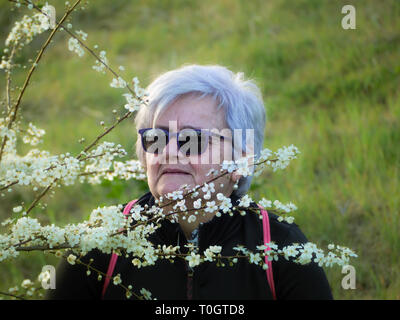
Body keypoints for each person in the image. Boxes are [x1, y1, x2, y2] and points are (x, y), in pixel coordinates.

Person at [46, 64, 333, 300]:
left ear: (243, 157)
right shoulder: (102, 244)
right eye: (155, 139)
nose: (168, 152)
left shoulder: (281, 249)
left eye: (192, 139)